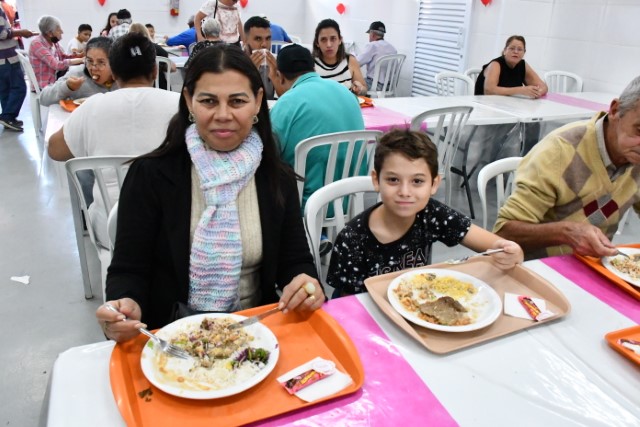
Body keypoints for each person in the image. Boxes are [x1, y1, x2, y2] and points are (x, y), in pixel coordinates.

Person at [94, 44, 324, 339]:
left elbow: (295, 261)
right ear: (189, 101)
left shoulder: (274, 177)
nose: (223, 115)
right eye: (209, 101)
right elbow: (128, 270)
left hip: (258, 334)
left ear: (257, 102)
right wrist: (125, 304)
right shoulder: (150, 176)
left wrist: (306, 284)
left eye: (238, 101)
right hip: (172, 338)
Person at [326, 129, 524, 297]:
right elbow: (347, 305)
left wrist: (510, 250)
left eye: (417, 181)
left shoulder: (431, 214)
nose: (405, 192)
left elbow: (493, 245)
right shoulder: (353, 238)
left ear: (434, 184)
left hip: (417, 306)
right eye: (393, 180)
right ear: (377, 181)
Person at [48, 32, 180, 249]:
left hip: (112, 229)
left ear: (115, 72)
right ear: (155, 70)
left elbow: (55, 150)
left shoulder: (92, 107)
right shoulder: (180, 106)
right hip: (171, 225)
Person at [494, 76, 640, 260]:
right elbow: (503, 232)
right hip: (540, 267)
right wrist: (564, 232)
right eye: (639, 130)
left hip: (596, 267)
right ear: (615, 110)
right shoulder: (559, 151)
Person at [270, 44, 365, 208]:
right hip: (349, 200)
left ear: (280, 76)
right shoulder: (347, 94)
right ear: (313, 68)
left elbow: (268, 154)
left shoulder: (286, 103)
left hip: (307, 205)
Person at [40, 36, 116, 106]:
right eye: (89, 61)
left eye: (101, 62)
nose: (93, 68)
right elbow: (44, 99)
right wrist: (67, 87)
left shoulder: (123, 79)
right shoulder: (77, 74)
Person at [0, 5, 37, 132]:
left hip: (2, 58)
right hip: (7, 56)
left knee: (5, 89)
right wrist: (20, 32)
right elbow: (2, 33)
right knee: (19, 88)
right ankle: (7, 115)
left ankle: (7, 118)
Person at [475, 35, 548, 98]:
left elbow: (543, 87)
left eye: (519, 49)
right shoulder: (495, 64)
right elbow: (489, 91)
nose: (516, 52)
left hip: (507, 105)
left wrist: (537, 92)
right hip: (485, 106)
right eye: (512, 48)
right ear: (505, 51)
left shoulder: (523, 65)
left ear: (524, 53)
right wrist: (521, 90)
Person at [313, 19, 366, 95]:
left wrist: (360, 89)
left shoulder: (350, 60)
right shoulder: (311, 65)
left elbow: (364, 90)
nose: (329, 45)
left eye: (333, 39)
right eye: (323, 40)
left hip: (347, 105)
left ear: (340, 40)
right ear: (317, 43)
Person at [29, 15, 84, 89]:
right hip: (45, 85)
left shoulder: (53, 41)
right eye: (58, 30)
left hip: (55, 78)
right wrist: (81, 60)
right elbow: (56, 65)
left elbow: (62, 57)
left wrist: (79, 56)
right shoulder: (36, 44)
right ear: (49, 33)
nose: (62, 31)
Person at [129, 22, 175, 90]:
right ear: (146, 33)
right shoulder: (156, 48)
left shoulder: (126, 51)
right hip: (160, 89)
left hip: (133, 89)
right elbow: (173, 68)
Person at [356, 21, 397, 91]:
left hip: (374, 85)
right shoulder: (393, 48)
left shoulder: (372, 45)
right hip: (389, 86)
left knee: (353, 84)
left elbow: (357, 62)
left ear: (372, 34)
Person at [243, 15, 276, 100]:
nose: (264, 44)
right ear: (245, 40)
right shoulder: (235, 63)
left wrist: (276, 76)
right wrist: (249, 72)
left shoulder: (274, 63)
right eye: (258, 39)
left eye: (268, 38)